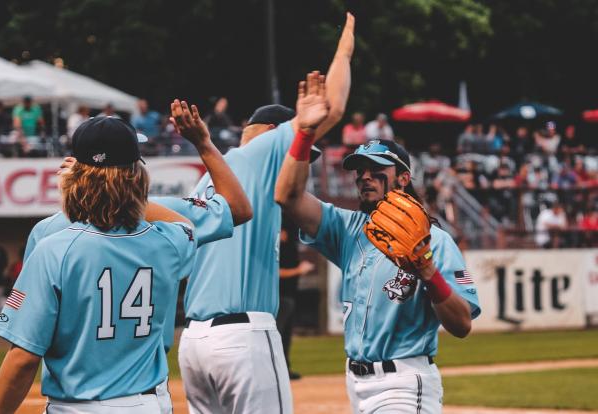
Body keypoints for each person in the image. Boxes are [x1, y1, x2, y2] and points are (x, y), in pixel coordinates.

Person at [20, 109, 251, 414]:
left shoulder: (46, 234)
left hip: (70, 400)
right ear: (134, 168)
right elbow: (239, 208)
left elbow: (28, 340)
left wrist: (95, 189)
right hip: (144, 394)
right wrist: (204, 144)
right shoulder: (165, 218)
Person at [178, 14, 354, 413]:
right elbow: (334, 106)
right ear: (276, 132)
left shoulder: (206, 180)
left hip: (193, 343)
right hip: (243, 337)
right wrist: (346, 45)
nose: (302, 160)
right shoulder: (263, 153)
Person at [0, 116, 201, 414]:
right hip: (148, 404)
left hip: (77, 408)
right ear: (137, 177)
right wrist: (130, 193)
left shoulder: (54, 249)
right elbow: (186, 224)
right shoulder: (168, 243)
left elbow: (23, 359)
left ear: (77, 175)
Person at [275, 130, 480, 412]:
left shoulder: (435, 240)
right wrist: (306, 133)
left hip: (404, 383)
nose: (364, 176)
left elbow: (462, 324)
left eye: (376, 169)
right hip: (355, 385)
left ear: (403, 178)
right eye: (360, 170)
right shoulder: (347, 230)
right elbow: (289, 196)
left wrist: (429, 272)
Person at [276, 214, 315, 380]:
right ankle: (274, 369)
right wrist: (299, 270)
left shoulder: (289, 246)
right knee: (277, 335)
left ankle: (284, 368)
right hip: (280, 295)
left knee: (285, 336)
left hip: (289, 294)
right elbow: (276, 273)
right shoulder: (277, 247)